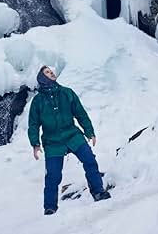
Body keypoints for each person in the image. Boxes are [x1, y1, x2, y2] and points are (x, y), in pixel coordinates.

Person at [28, 66, 111, 215]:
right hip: (52, 142)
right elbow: (33, 124)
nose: (51, 73)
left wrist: (89, 131)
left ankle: (98, 192)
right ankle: (50, 207)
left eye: (51, 71)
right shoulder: (38, 101)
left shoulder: (67, 93)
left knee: (90, 160)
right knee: (53, 175)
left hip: (73, 136)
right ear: (41, 78)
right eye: (47, 72)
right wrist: (35, 143)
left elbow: (80, 113)